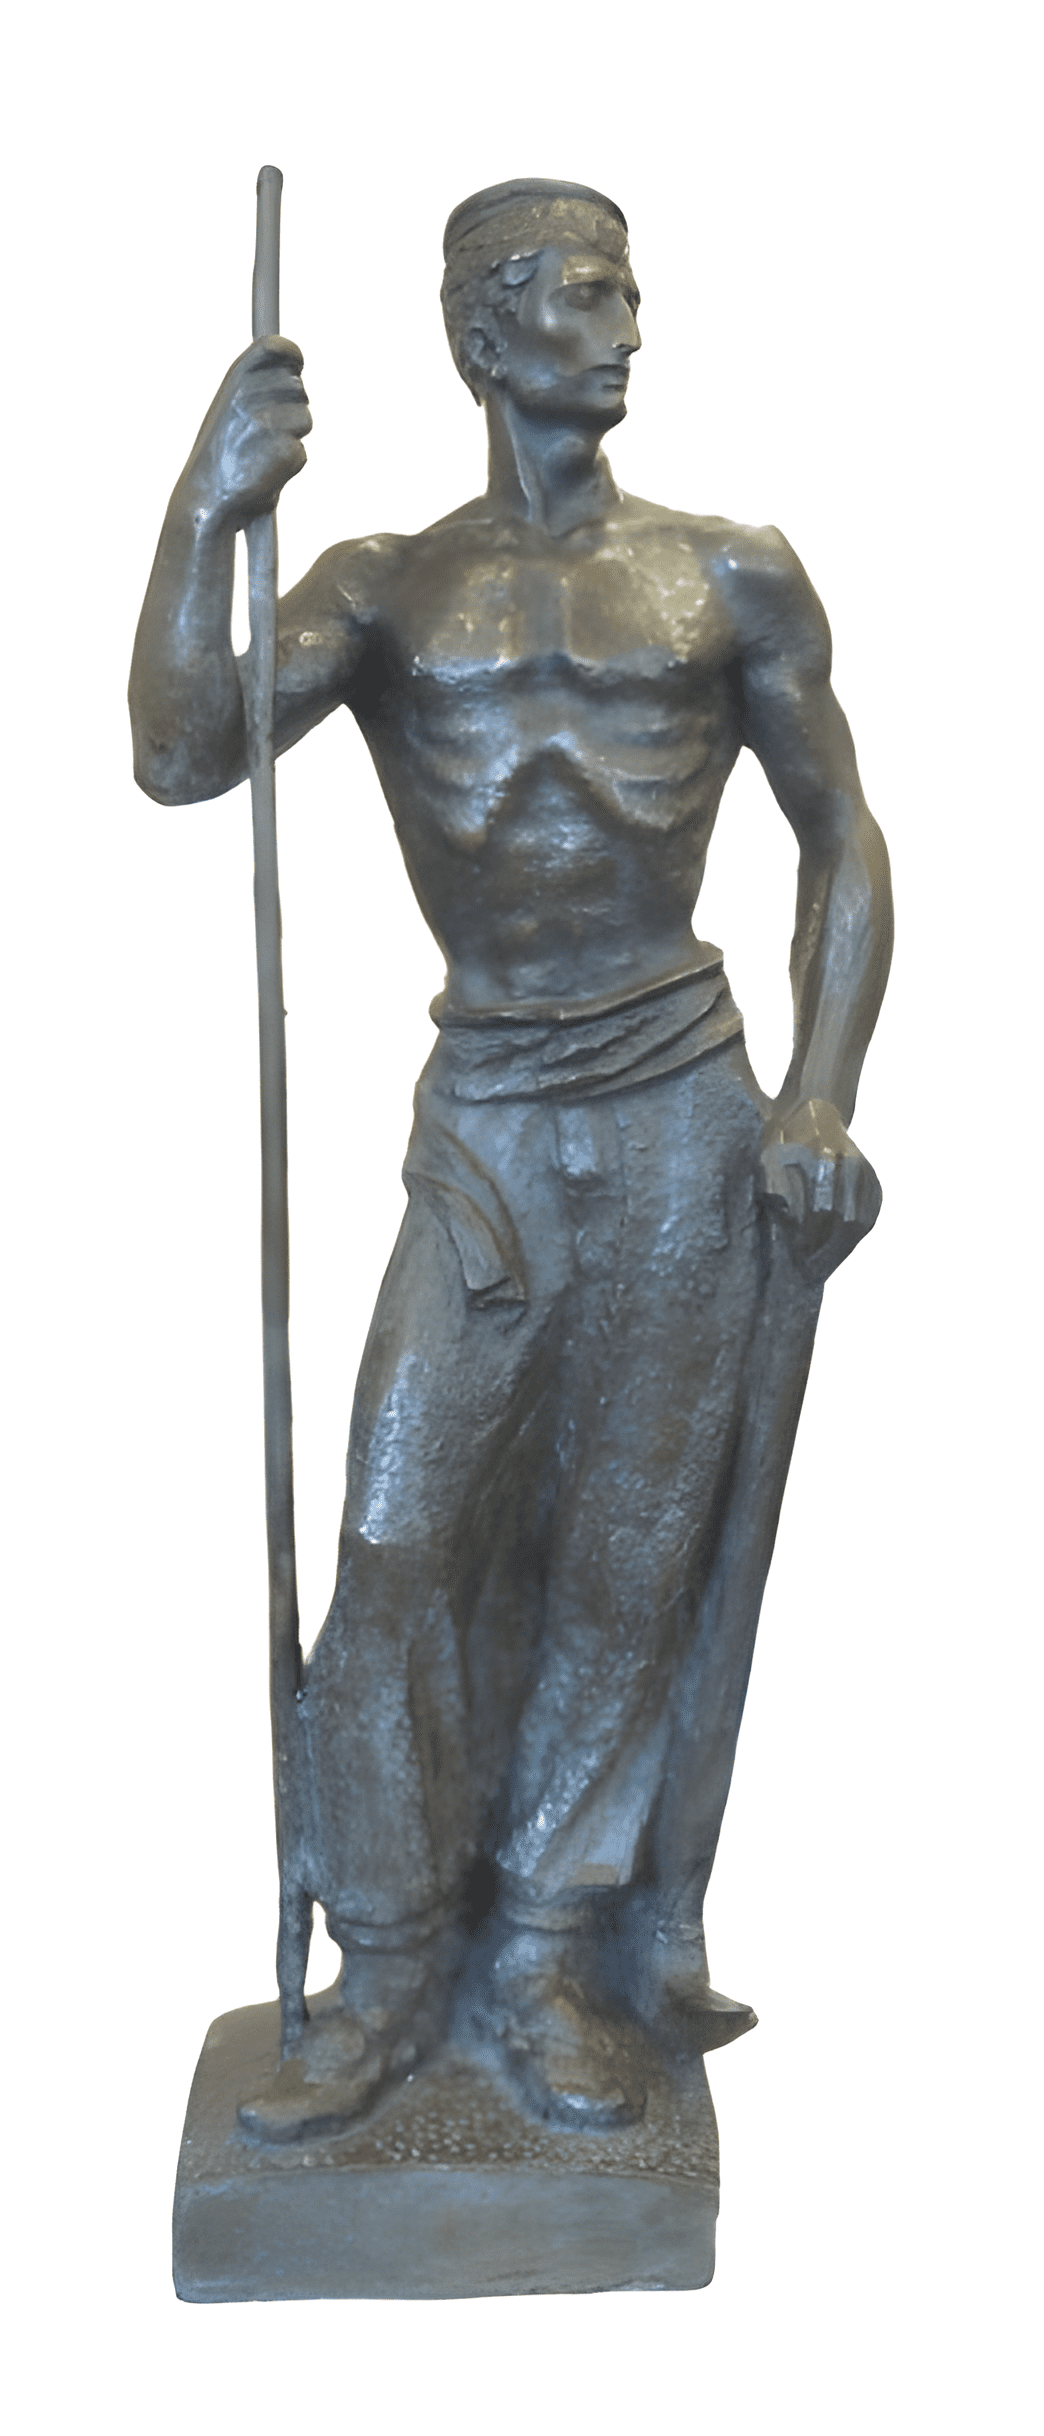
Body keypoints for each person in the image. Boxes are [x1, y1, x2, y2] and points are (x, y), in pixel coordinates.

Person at [130, 178, 892, 2139]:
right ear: (483, 331)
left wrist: (819, 1094)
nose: (628, 324)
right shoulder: (388, 588)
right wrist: (206, 510)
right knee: (395, 1547)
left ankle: (548, 1958)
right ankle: (390, 1962)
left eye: (630, 291)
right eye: (589, 292)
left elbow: (844, 845)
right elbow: (187, 751)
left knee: (627, 1560)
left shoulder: (729, 574)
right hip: (487, 1119)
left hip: (681, 1110)